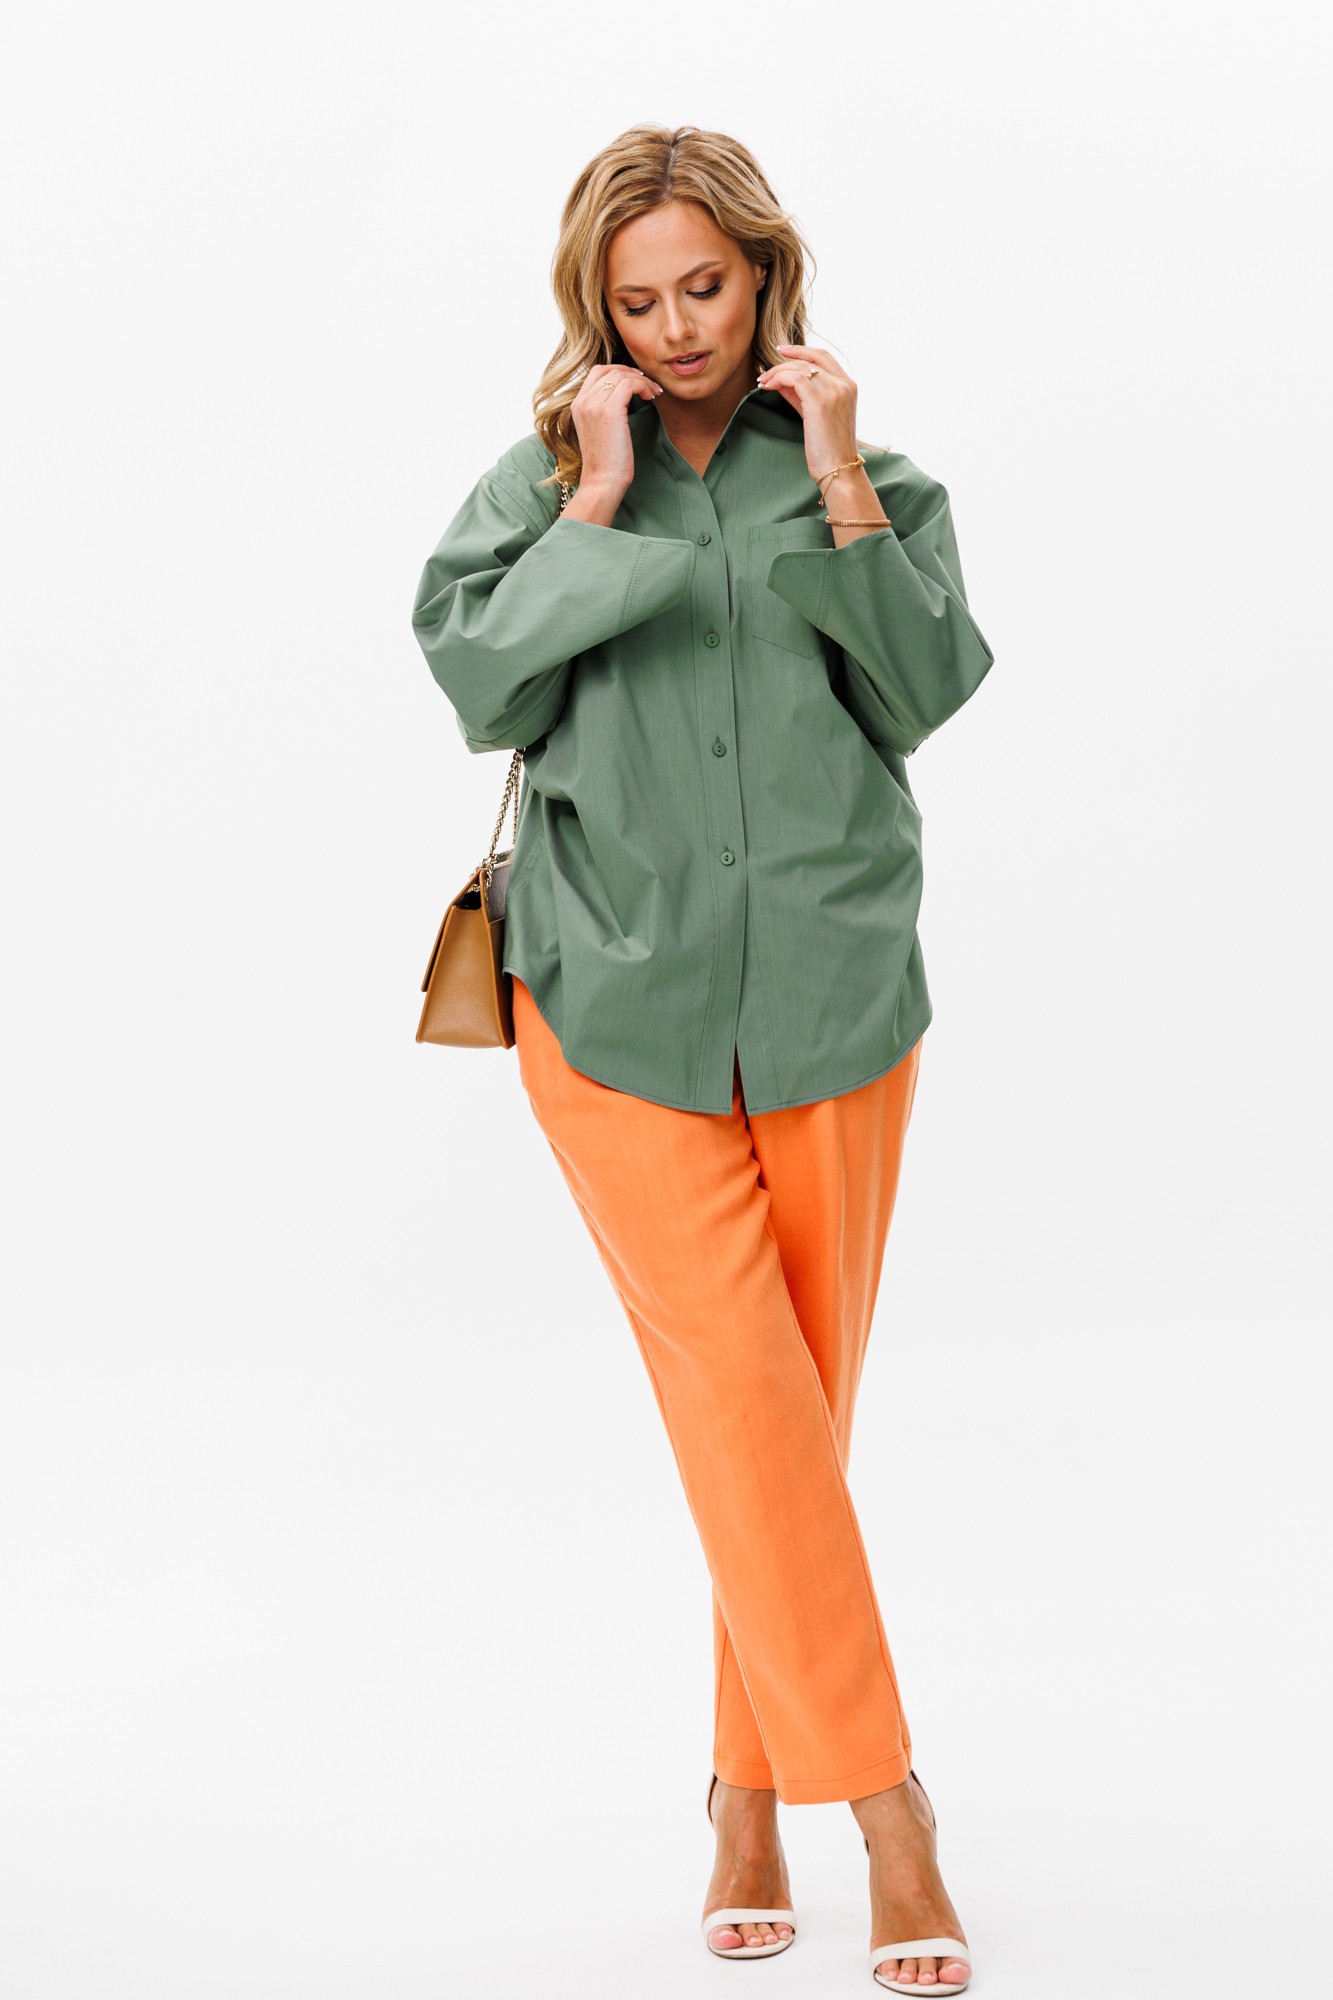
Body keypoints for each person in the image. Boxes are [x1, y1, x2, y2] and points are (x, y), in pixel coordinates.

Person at [410, 122, 992, 1996]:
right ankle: (887, 1812)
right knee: (748, 1408)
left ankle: (745, 1797)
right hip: (611, 1005)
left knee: (788, 1429)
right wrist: (593, 501)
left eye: (706, 288)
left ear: (765, 276)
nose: (675, 328)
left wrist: (835, 479)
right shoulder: (536, 483)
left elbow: (925, 690)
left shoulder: (869, 475)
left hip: (835, 996)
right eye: (639, 298)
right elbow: (481, 686)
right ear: (594, 304)